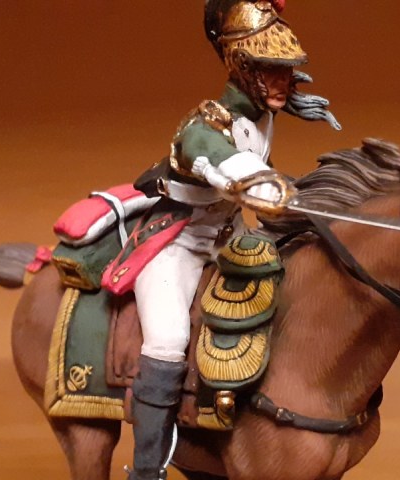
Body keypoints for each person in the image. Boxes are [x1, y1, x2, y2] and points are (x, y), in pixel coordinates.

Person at [125, 1, 339, 478]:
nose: (283, 80)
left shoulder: (262, 115)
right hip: (178, 242)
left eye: (286, 70)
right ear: (244, 68)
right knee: (167, 339)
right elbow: (223, 162)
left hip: (229, 235)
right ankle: (147, 470)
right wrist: (268, 187)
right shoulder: (205, 126)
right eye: (272, 70)